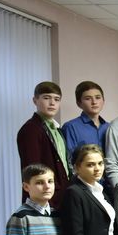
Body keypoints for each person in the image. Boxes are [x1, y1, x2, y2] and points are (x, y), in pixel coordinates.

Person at [16, 81, 70, 209]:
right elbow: (32, 169)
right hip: (44, 198)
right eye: (46, 98)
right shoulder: (31, 129)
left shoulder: (57, 129)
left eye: (56, 99)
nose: (52, 103)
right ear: (35, 100)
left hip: (62, 195)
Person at [61, 80, 109, 163]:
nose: (94, 102)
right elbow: (69, 160)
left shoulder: (109, 127)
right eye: (88, 99)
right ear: (79, 103)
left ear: (103, 101)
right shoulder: (71, 127)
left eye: (98, 97)